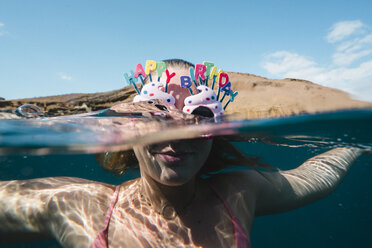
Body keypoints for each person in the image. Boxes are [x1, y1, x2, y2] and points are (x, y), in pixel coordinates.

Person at [0, 59, 367, 248]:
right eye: (157, 111)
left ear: (216, 132)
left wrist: (355, 143)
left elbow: (315, 175)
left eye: (199, 114)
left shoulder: (239, 193)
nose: (176, 131)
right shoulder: (79, 205)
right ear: (128, 124)